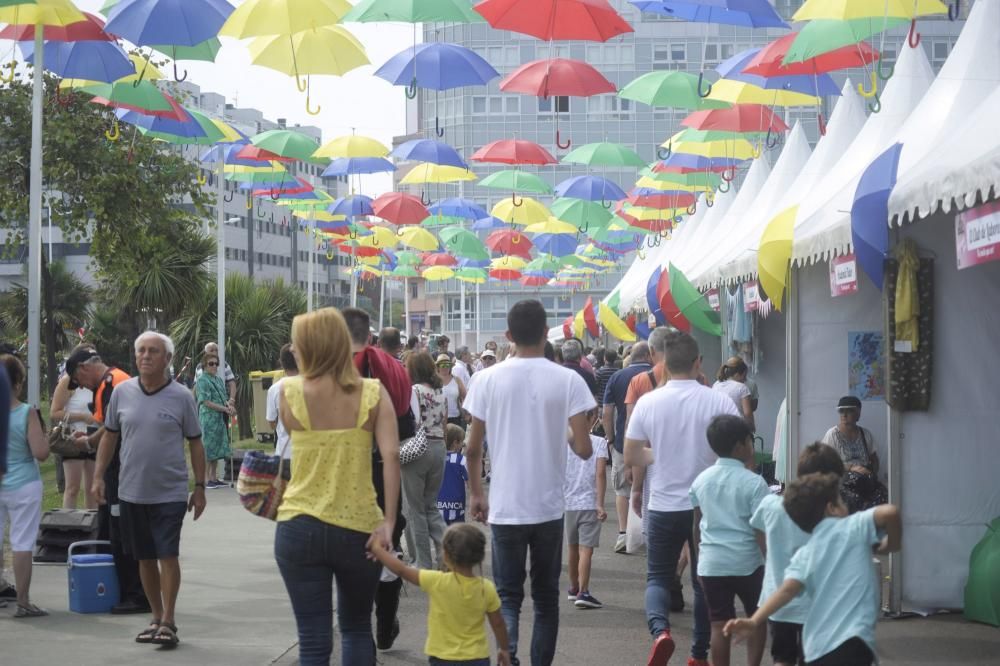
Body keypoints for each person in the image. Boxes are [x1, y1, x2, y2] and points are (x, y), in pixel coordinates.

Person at [465, 299, 596, 666]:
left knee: (507, 597)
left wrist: (477, 492)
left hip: (506, 507)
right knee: (545, 599)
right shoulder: (568, 378)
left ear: (508, 336)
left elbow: (473, 448)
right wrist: (563, 435)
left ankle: (507, 657)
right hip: (549, 507)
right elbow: (584, 448)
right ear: (545, 332)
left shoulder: (486, 379)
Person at [275, 308, 400, 665]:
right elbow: (390, 457)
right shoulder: (373, 393)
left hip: (299, 523)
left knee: (313, 639)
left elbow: (293, 431)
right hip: (359, 526)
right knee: (357, 626)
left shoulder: (289, 391)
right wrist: (388, 522)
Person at [624, 330, 741, 666]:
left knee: (658, 577)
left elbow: (631, 454)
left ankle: (661, 631)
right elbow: (737, 446)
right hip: (706, 505)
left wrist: (659, 454)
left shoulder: (649, 402)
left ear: (661, 364)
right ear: (698, 362)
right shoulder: (717, 399)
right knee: (704, 580)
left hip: (662, 504)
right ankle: (698, 654)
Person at [92, 332, 207, 647]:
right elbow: (110, 437)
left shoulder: (182, 396)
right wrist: (98, 476)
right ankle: (155, 616)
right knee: (144, 557)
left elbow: (196, 442)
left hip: (169, 492)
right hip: (131, 490)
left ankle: (169, 620)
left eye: (153, 351)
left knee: (167, 555)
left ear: (167, 359)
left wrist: (200, 487)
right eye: (140, 350)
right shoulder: (122, 393)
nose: (145, 356)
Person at [725, 475, 903, 666]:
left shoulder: (806, 553)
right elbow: (890, 512)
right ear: (831, 508)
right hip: (853, 643)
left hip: (817, 650)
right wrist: (891, 544)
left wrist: (754, 621)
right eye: (841, 500)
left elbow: (787, 590)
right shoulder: (854, 527)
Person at [343, 307, 413, 652]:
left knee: (351, 555)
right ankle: (385, 623)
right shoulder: (394, 371)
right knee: (386, 548)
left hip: (346, 476)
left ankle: (361, 634)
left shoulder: (330, 373)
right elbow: (407, 429)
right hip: (386, 476)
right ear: (369, 337)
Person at [67, 347, 147, 615]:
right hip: (123, 467)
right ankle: (124, 590)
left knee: (121, 531)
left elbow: (111, 430)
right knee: (111, 530)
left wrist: (88, 443)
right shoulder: (112, 381)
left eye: (79, 382)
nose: (82, 388)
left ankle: (136, 594)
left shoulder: (112, 384)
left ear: (83, 369)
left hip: (121, 469)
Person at [750, 443, 846, 666]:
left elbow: (757, 531)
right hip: (817, 605)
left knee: (781, 658)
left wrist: (770, 557)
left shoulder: (770, 504)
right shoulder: (833, 515)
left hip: (777, 601)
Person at [689, 415, 770, 666]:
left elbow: (697, 526)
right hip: (748, 562)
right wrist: (770, 561)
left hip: (712, 563)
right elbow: (761, 529)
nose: (751, 446)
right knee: (756, 618)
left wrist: (700, 560)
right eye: (749, 441)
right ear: (739, 446)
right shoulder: (755, 483)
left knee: (719, 624)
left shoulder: (701, 480)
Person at [369, 523, 511, 666]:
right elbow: (498, 623)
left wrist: (378, 550)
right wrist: (504, 649)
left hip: (442, 657)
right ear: (479, 556)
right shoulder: (486, 588)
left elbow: (402, 570)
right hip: (477, 657)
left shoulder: (436, 581)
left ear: (446, 555)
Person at [0, 354, 48, 617]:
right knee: (22, 542)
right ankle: (23, 600)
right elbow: (40, 452)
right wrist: (47, 438)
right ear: (18, 382)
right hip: (23, 485)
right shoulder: (26, 412)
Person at [601, 341, 653, 553]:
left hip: (625, 442)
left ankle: (624, 534)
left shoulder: (617, 377)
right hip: (655, 443)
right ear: (649, 356)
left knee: (623, 489)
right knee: (650, 487)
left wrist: (611, 439)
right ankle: (651, 533)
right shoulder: (660, 375)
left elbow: (607, 413)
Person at [404, 351, 449, 569]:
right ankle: (447, 554)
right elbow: (445, 422)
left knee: (416, 509)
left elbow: (411, 420)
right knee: (431, 505)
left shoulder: (414, 391)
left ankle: (422, 562)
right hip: (439, 446)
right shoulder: (440, 391)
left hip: (417, 448)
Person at [564, 408, 609, 610]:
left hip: (568, 501)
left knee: (572, 548)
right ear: (593, 419)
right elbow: (600, 473)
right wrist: (600, 502)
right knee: (586, 550)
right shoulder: (599, 443)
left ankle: (573, 588)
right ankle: (584, 591)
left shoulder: (565, 443)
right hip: (589, 502)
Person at [50, 343, 98, 509]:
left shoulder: (98, 381)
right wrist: (83, 416)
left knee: (93, 489)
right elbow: (54, 412)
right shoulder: (68, 382)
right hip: (72, 439)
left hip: (94, 438)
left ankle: (93, 527)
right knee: (72, 488)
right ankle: (67, 527)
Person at [821, 396, 886, 513]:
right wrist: (851, 468)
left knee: (883, 495)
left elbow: (874, 459)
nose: (844, 415)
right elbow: (825, 463)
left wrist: (871, 472)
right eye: (841, 411)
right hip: (842, 482)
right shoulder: (832, 434)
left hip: (865, 481)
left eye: (849, 410)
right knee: (852, 501)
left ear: (858, 413)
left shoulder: (865, 434)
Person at [195, 351, 233, 489]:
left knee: (217, 448)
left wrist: (229, 406)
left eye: (216, 364)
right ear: (204, 366)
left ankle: (214, 477)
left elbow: (224, 398)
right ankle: (206, 479)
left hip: (219, 418)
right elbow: (206, 401)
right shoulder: (202, 380)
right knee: (208, 448)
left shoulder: (218, 380)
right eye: (211, 364)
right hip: (208, 418)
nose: (214, 366)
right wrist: (224, 409)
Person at [266, 344, 299, 462]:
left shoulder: (274, 389)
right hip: (307, 453)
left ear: (282, 364)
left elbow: (271, 422)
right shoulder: (313, 386)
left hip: (284, 452)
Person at [438, 423, 469, 525]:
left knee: (441, 538)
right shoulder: (461, 460)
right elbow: (471, 482)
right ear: (456, 443)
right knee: (458, 537)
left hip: (438, 507)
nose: (463, 444)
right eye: (462, 441)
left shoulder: (437, 459)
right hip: (457, 508)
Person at [713, 357, 755, 431]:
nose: (745, 379)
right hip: (736, 427)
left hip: (719, 428)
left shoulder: (716, 384)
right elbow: (747, 413)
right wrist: (752, 426)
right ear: (737, 374)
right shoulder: (742, 387)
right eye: (744, 376)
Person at [194, 342, 237, 407]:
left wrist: (232, 399)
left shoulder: (224, 365)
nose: (215, 352)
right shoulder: (199, 367)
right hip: (205, 409)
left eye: (216, 350)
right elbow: (195, 386)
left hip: (223, 404)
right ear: (206, 353)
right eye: (212, 350)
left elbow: (232, 383)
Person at [437, 353, 468, 431]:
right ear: (438, 367)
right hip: (438, 420)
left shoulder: (456, 380)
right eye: (442, 365)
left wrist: (466, 413)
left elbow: (466, 397)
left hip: (455, 418)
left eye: (447, 365)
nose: (445, 367)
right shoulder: (433, 381)